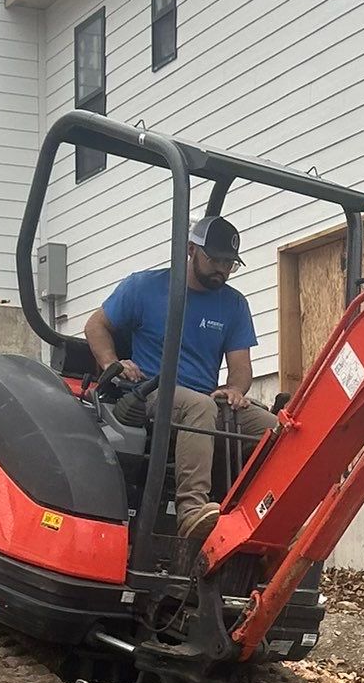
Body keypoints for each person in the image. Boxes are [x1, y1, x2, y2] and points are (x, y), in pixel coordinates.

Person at [83, 214, 262, 561]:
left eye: (229, 264)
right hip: (150, 390)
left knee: (274, 429)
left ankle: (261, 515)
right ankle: (191, 512)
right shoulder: (143, 288)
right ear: (191, 250)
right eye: (216, 260)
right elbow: (95, 325)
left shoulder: (235, 304)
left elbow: (241, 368)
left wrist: (235, 389)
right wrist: (112, 364)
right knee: (201, 408)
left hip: (205, 398)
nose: (222, 270)